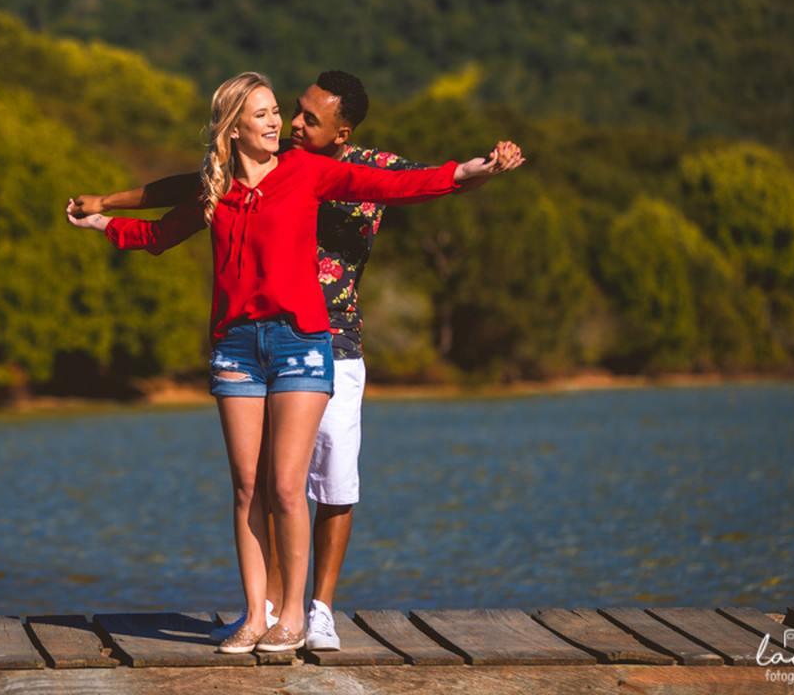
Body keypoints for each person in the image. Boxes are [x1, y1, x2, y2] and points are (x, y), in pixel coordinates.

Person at [68, 72, 522, 654]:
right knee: (248, 488)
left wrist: (477, 168)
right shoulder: (219, 185)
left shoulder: (308, 170)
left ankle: (303, 614)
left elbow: (404, 184)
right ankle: (255, 615)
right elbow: (162, 229)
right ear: (233, 128)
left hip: (308, 342)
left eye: (285, 113)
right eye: (268, 113)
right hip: (236, 347)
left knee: (294, 487)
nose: (284, 122)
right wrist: (102, 217)